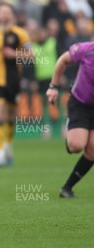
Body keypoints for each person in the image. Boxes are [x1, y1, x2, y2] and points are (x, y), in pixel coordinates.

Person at [0, 3, 32, 167]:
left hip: (14, 80)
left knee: (11, 117)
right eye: (1, 11)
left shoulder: (21, 34)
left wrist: (14, 54)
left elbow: (31, 55)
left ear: (11, 15)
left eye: (7, 12)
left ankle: (8, 146)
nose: (4, 15)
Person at [47, 43, 94, 198]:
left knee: (93, 150)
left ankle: (67, 188)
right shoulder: (86, 49)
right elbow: (62, 60)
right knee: (76, 146)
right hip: (80, 103)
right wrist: (53, 86)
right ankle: (71, 133)